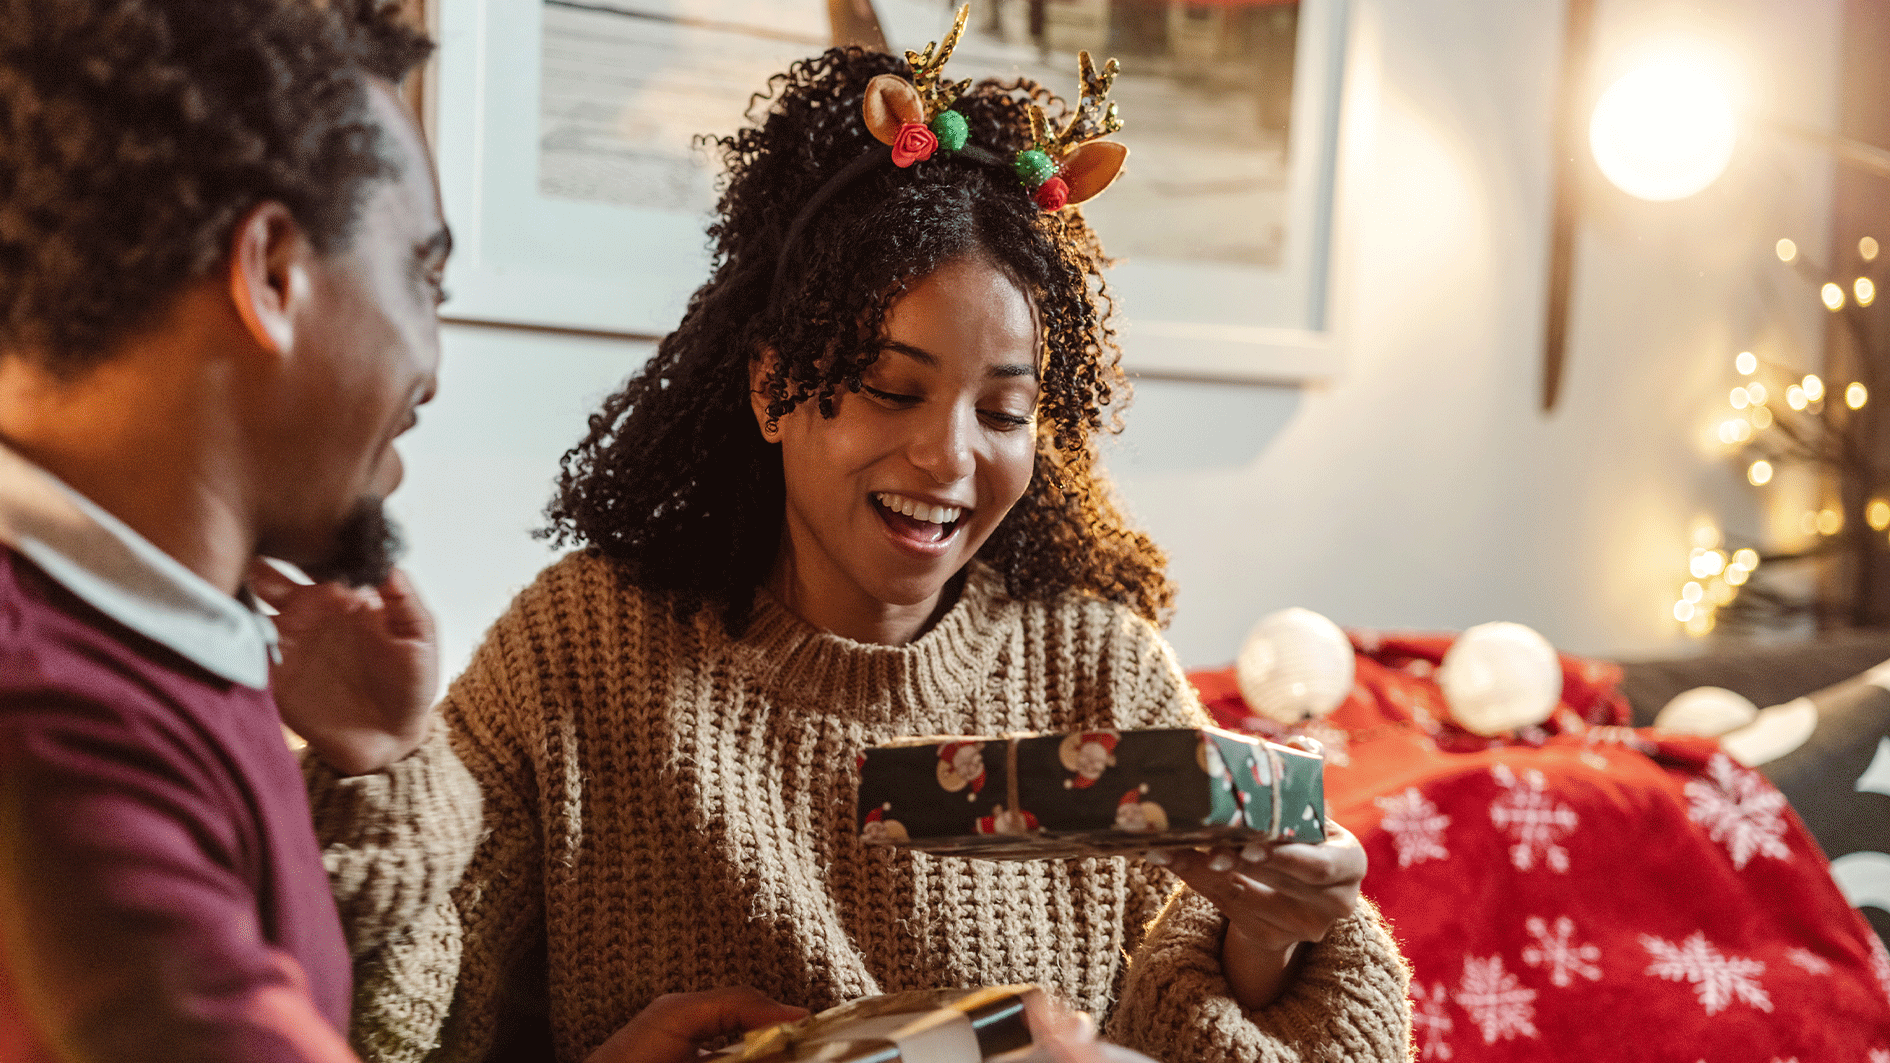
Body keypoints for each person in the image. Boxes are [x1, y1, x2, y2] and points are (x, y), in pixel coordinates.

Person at [299, 20, 1413, 1063]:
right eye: (890, 388)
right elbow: (382, 1029)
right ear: (776, 387)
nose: (948, 459)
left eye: (1005, 412)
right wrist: (370, 766)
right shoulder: (581, 653)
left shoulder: (1099, 670)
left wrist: (1270, 938)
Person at [0, 2, 805, 1060]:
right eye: (425, 281)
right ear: (273, 274)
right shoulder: (58, 724)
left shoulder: (166, 636)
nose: (432, 364)